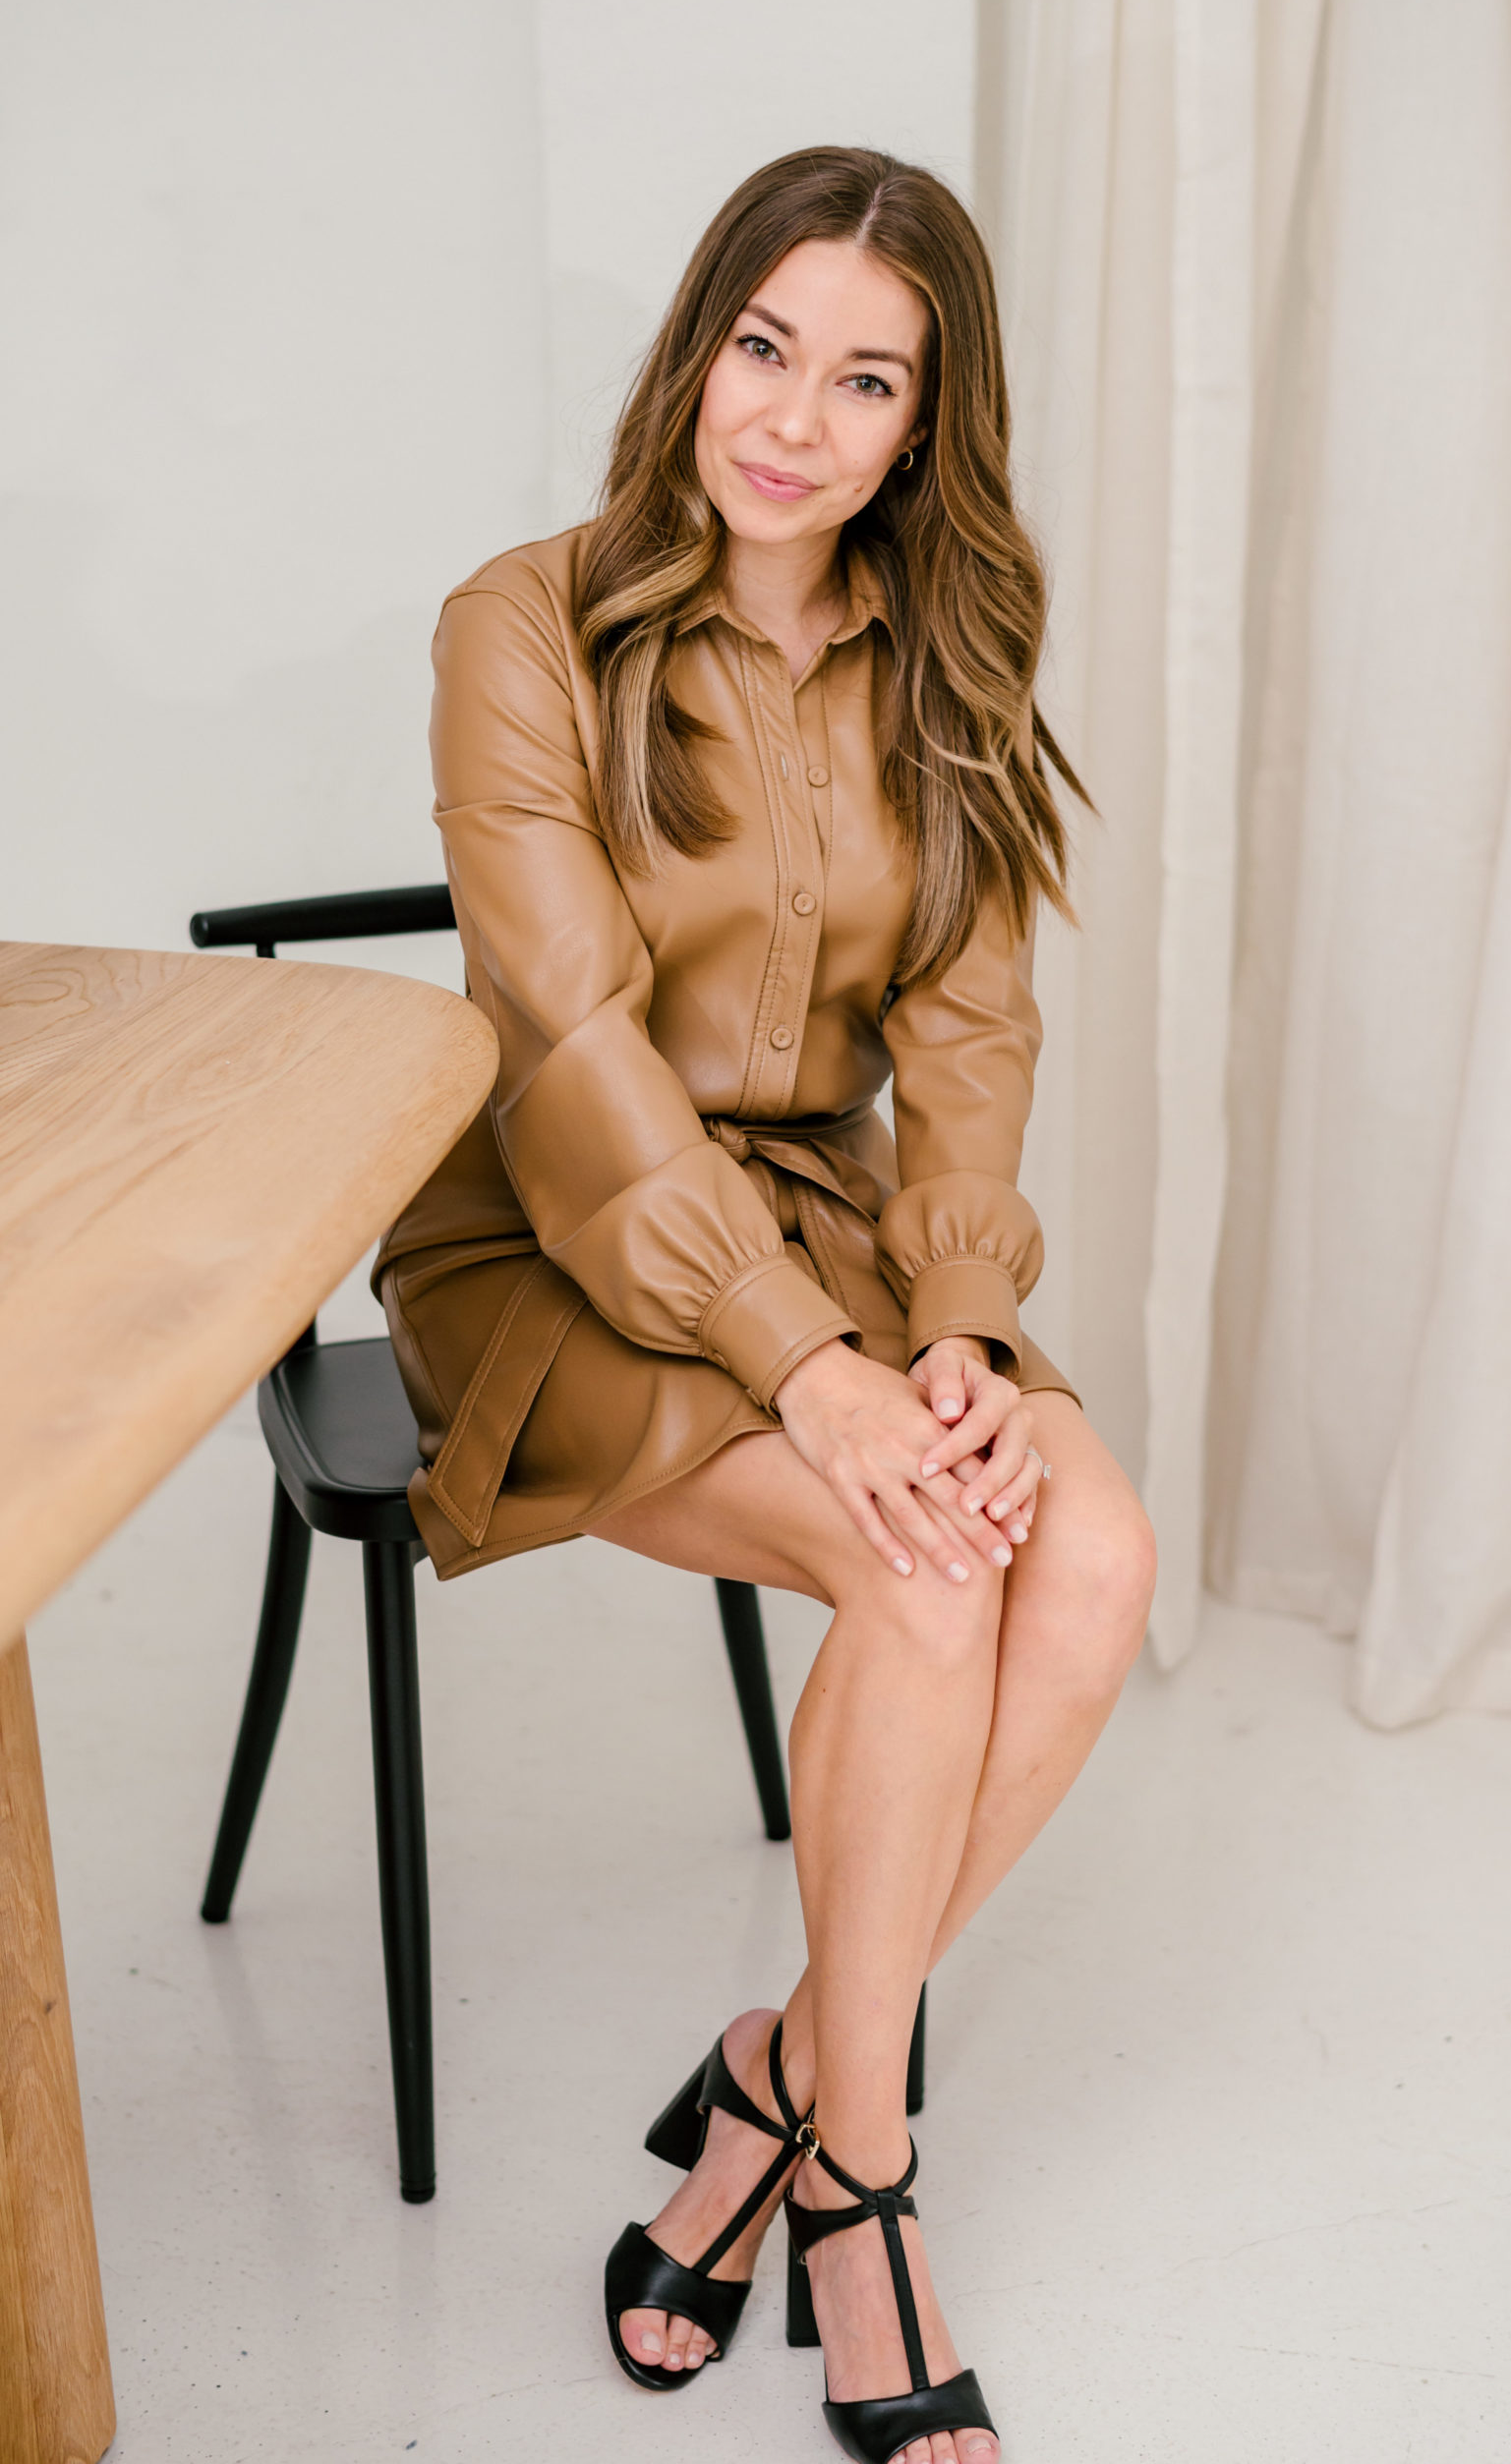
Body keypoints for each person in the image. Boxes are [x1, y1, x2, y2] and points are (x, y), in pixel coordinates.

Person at [375, 144, 1156, 2464]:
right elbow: (574, 1038)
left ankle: (774, 2076)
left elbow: (974, 1042)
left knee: (1088, 1553)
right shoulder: (524, 621)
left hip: (832, 1229)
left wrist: (950, 1331)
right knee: (924, 1577)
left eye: (865, 378)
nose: (794, 417)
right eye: (763, 344)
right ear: (698, 342)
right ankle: (867, 2177)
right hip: (555, 1221)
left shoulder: (952, 660)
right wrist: (806, 1373)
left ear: (928, 425)